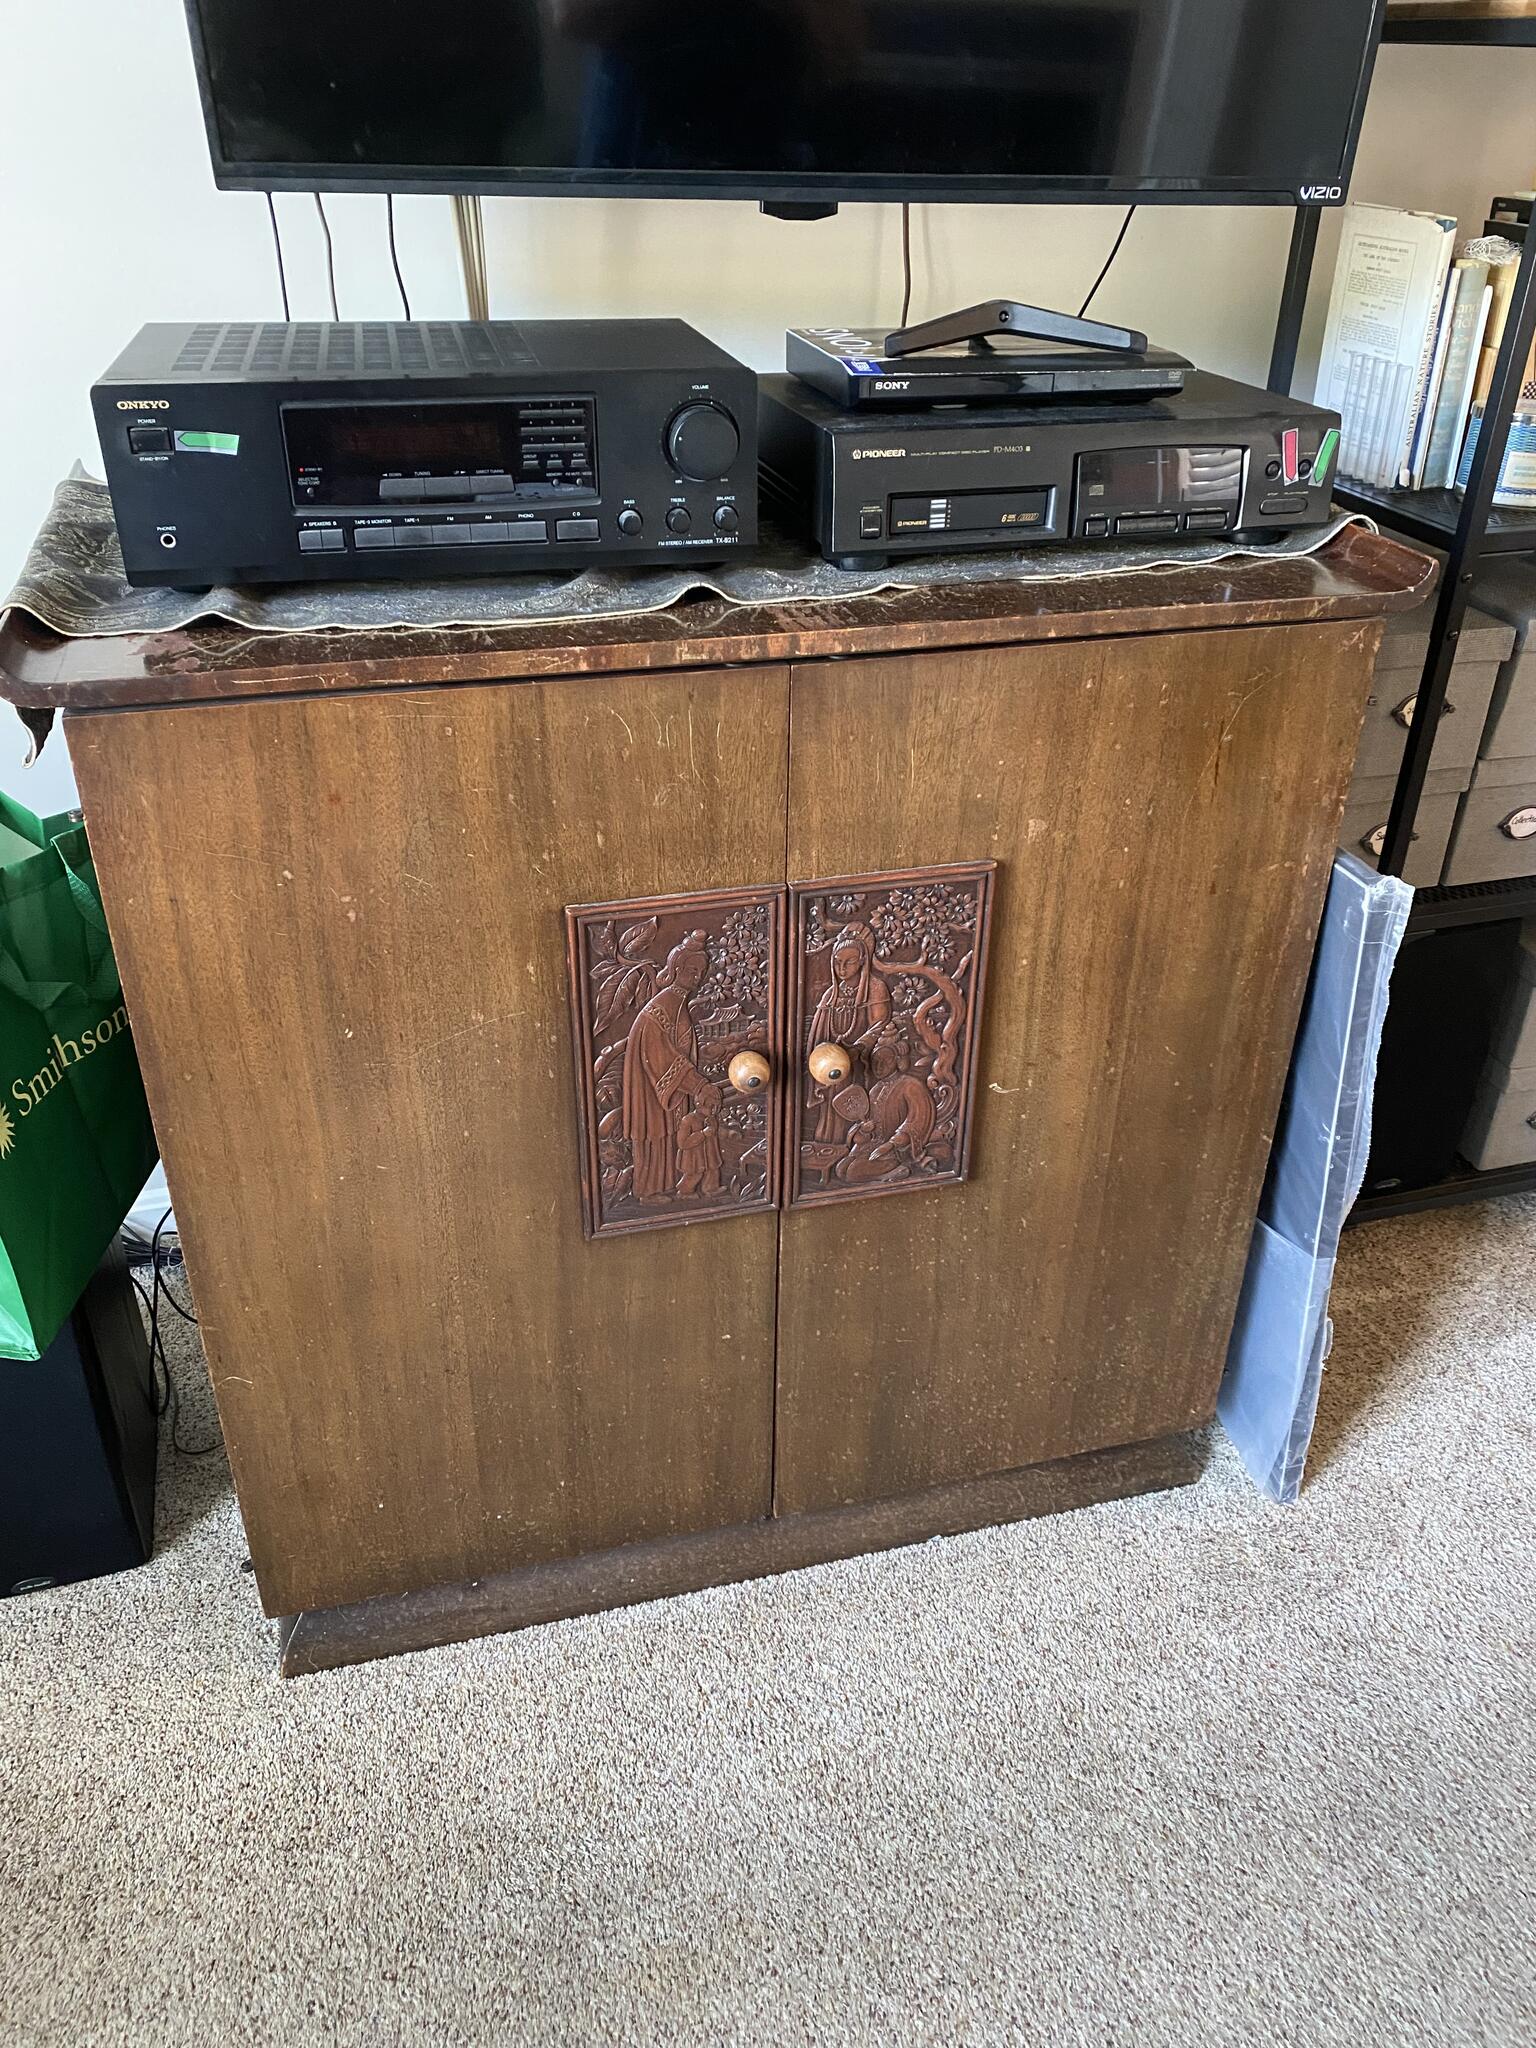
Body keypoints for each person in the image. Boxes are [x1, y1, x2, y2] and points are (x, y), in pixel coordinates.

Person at [622, 931, 721, 1202]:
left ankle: (666, 1186)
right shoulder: (660, 1008)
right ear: (677, 968)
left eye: (701, 971)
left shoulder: (678, 1003)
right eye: (691, 970)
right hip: (651, 1087)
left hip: (666, 1089)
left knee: (666, 1135)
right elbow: (662, 1057)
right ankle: (647, 1190)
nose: (697, 977)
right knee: (654, 1135)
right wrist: (698, 1084)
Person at [806, 923, 892, 1146]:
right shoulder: (830, 994)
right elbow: (820, 1029)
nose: (842, 968)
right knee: (830, 1114)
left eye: (849, 962)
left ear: (862, 960)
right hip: (829, 1063)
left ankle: (855, 1148)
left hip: (860, 1064)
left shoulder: (875, 987)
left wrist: (859, 1048)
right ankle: (827, 1149)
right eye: (837, 962)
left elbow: (880, 1023)